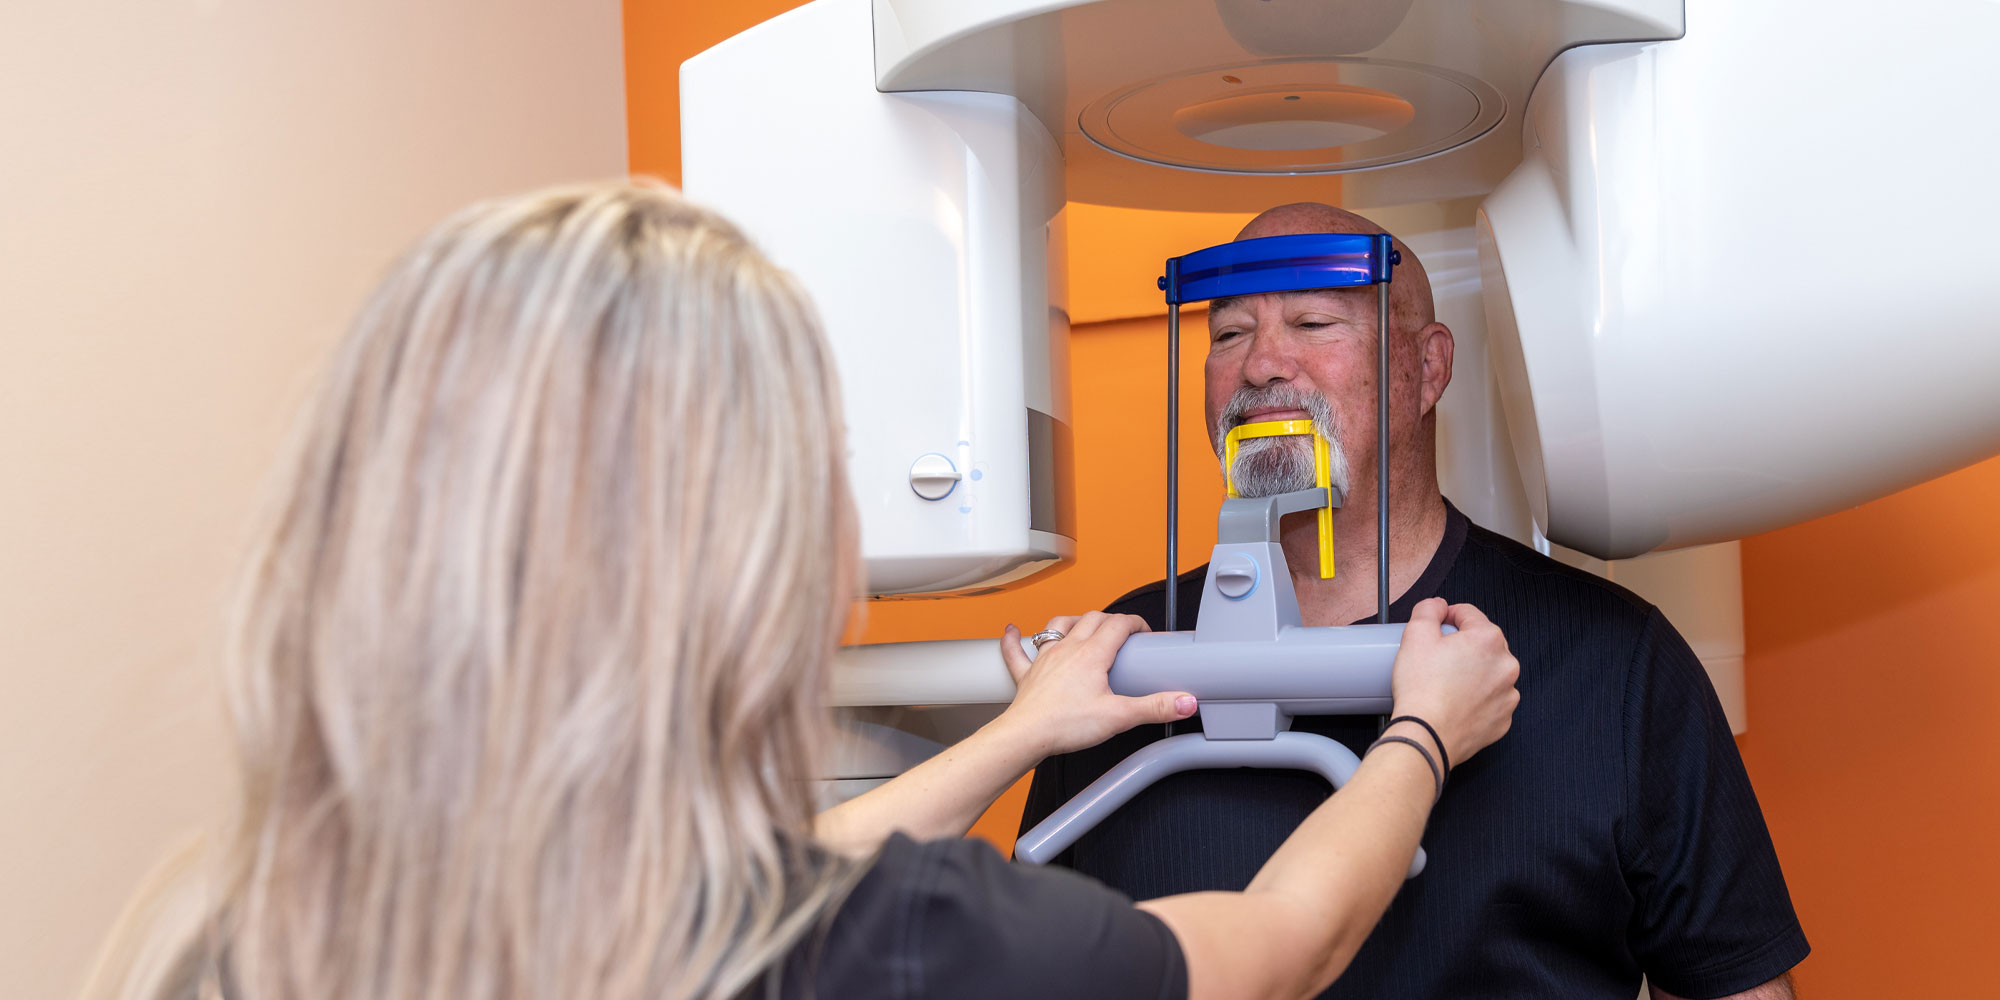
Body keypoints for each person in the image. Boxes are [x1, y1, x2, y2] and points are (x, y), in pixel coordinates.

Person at [82, 181, 1521, 1000]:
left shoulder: (221, 945)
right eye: (822, 463)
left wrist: (1021, 733)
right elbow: (1273, 955)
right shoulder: (902, 946)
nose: (1266, 361)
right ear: (746, 546)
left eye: (1314, 323)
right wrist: (1419, 734)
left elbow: (752, 882)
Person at [1020, 203, 1811, 1000]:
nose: (1260, 366)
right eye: (1228, 334)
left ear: (1428, 369)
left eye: (1313, 321)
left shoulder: (1612, 660)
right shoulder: (1112, 671)